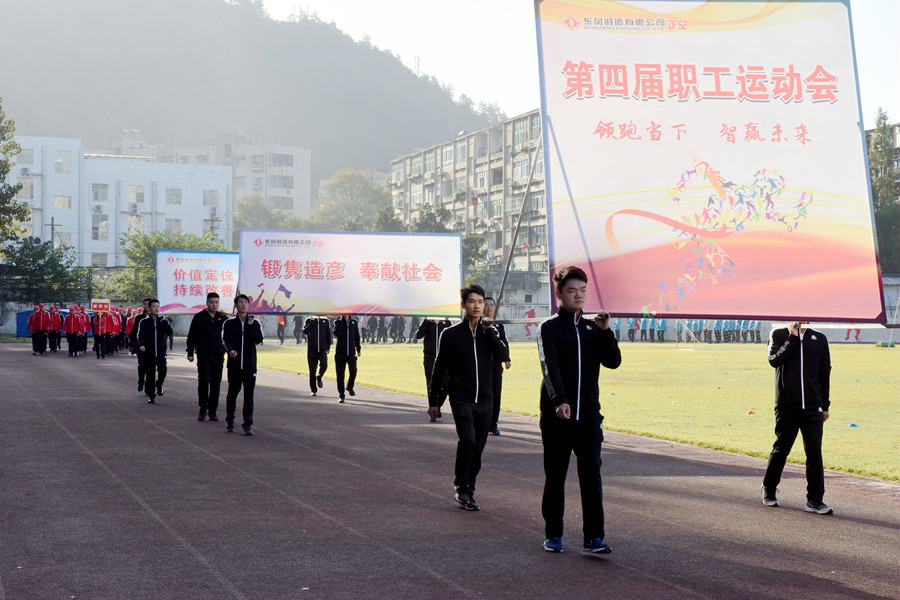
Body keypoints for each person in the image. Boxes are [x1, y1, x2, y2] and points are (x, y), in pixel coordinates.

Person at [538, 266, 621, 555]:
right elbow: (549, 367)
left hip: (588, 417)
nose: (578, 295)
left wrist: (606, 332)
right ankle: (553, 534)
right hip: (557, 417)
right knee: (556, 475)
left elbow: (613, 362)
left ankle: (594, 537)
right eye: (572, 290)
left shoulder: (592, 329)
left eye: (583, 291)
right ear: (559, 294)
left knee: (591, 474)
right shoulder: (549, 328)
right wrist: (559, 400)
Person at [428, 284, 509, 511]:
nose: (477, 306)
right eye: (472, 301)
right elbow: (439, 368)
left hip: (486, 400)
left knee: (478, 448)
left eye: (481, 302)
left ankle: (469, 489)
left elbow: (503, 355)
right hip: (461, 398)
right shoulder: (450, 334)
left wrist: (489, 332)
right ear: (463, 305)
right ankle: (460, 485)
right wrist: (433, 401)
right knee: (468, 441)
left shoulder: (490, 332)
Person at [761, 321, 833, 514]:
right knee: (781, 449)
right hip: (787, 406)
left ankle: (815, 500)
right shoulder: (778, 334)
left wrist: (825, 405)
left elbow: (824, 373)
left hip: (813, 407)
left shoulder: (819, 339)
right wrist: (792, 338)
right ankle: (769, 488)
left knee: (814, 453)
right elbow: (774, 360)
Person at [222, 294, 264, 435]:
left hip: (249, 365)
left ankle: (247, 425)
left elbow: (258, 340)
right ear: (236, 305)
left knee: (249, 395)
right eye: (240, 302)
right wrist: (230, 351)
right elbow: (225, 340)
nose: (243, 304)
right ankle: (229, 422)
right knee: (232, 394)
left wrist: (250, 327)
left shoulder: (254, 323)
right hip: (234, 366)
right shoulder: (229, 323)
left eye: (246, 302)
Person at [186, 292, 229, 422]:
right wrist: (190, 352)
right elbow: (192, 335)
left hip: (218, 355)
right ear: (207, 303)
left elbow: (228, 336)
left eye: (216, 302)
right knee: (204, 381)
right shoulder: (199, 317)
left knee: (216, 383)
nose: (214, 305)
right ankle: (203, 408)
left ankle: (212, 410)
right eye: (211, 302)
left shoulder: (223, 318)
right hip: (203, 354)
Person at [483, 297, 512, 436]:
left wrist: (507, 359)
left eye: (491, 305)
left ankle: (493, 424)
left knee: (496, 395)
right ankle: (482, 423)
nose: (489, 308)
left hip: (496, 366)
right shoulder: (478, 325)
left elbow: (504, 342)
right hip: (482, 367)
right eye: (486, 305)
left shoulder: (499, 325)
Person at [136, 299, 173, 404]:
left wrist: (164, 321)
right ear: (149, 308)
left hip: (161, 352)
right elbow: (140, 335)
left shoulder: (163, 321)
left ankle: (159, 384)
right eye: (154, 306)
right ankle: (151, 395)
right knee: (150, 375)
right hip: (149, 353)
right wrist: (142, 344)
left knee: (163, 370)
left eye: (158, 306)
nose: (156, 309)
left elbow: (170, 332)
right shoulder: (144, 322)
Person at [416, 316, 452, 421]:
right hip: (430, 359)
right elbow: (419, 335)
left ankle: (438, 405)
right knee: (431, 384)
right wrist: (425, 321)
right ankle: (433, 409)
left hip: (444, 358)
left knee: (446, 384)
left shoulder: (446, 322)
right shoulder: (428, 323)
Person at [332, 314, 361, 403]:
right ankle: (341, 395)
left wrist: (358, 349)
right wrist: (340, 322)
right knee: (340, 375)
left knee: (353, 371)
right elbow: (336, 333)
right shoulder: (337, 322)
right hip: (340, 353)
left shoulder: (354, 322)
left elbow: (357, 336)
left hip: (351, 353)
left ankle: (349, 386)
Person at [303, 316, 331, 396]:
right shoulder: (308, 320)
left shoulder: (325, 320)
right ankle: (313, 390)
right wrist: (311, 322)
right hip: (312, 350)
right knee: (312, 371)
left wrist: (328, 347)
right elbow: (305, 331)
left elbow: (328, 334)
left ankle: (319, 376)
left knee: (324, 365)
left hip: (322, 349)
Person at [130, 298, 151, 391]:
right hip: (140, 345)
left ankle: (149, 386)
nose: (146, 306)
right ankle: (141, 382)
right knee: (141, 365)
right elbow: (134, 331)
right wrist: (131, 343)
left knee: (150, 366)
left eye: (148, 304)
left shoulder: (156, 317)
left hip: (151, 346)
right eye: (145, 304)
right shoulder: (139, 318)